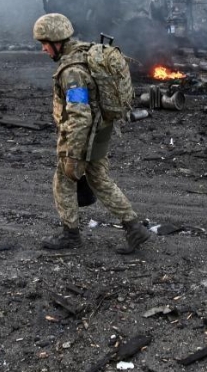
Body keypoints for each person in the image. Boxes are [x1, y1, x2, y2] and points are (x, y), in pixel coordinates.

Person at [33, 13, 155, 254]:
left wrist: (72, 154)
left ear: (57, 41)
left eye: (45, 44)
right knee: (99, 179)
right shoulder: (85, 52)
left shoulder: (72, 72)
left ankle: (71, 235)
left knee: (64, 180)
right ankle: (134, 227)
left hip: (83, 136)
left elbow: (79, 115)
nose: (44, 49)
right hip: (100, 131)